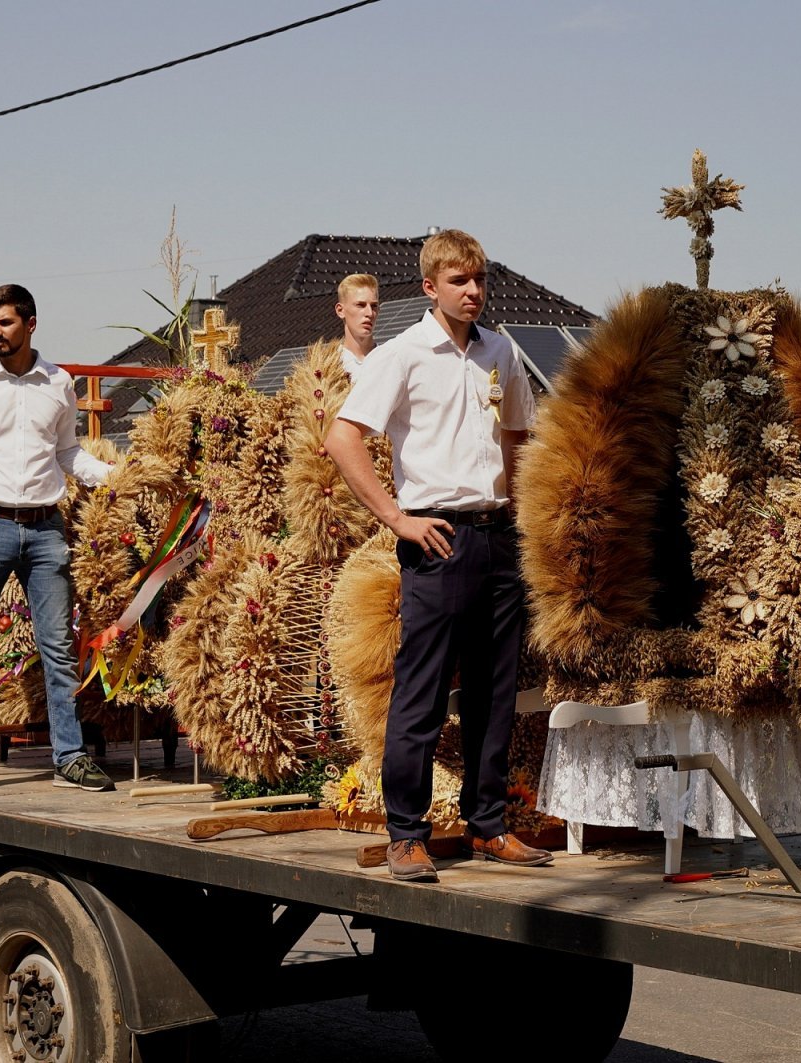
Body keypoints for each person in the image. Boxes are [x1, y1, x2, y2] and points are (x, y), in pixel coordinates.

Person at [325, 230, 551, 881]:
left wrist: (515, 511)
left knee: (495, 690)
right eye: (458, 280)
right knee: (421, 693)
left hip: (496, 536)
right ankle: (406, 833)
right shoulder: (399, 357)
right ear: (430, 287)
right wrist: (397, 517)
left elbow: (517, 433)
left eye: (479, 279)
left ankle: (488, 826)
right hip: (437, 537)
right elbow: (343, 440)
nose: (473, 290)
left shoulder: (501, 351)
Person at [0, 284, 116, 797]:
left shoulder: (59, 383)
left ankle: (70, 757)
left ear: (30, 323)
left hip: (46, 529)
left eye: (5, 323)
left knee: (58, 648)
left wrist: (115, 474)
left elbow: (68, 454)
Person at [335, 273, 380, 378]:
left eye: (374, 306)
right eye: (360, 305)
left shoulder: (391, 359)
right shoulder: (328, 367)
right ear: (340, 310)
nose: (369, 313)